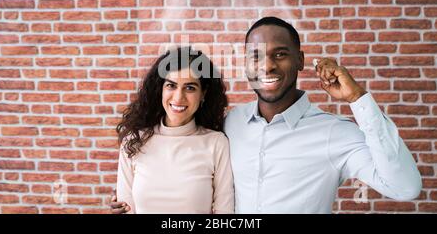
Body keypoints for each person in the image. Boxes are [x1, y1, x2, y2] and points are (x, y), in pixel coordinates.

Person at [111, 16, 422, 214]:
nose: (267, 66)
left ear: (300, 60)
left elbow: (404, 188)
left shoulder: (335, 133)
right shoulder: (229, 124)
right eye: (255, 56)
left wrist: (358, 99)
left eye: (280, 54)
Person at [113, 46, 234, 214]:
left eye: (190, 87)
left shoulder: (216, 143)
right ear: (160, 89)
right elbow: (126, 208)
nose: (178, 97)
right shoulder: (133, 141)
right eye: (171, 85)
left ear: (203, 94)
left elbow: (225, 212)